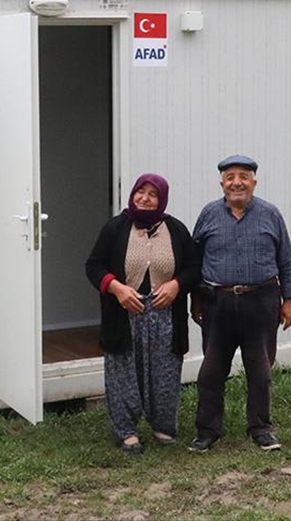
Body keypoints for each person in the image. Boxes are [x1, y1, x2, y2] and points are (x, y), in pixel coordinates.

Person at [189, 155, 291, 453]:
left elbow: (286, 259)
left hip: (261, 301)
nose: (236, 182)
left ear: (254, 182)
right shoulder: (209, 215)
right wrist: (195, 298)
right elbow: (195, 261)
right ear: (222, 183)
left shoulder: (270, 214)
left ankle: (261, 428)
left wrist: (289, 299)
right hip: (218, 303)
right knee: (211, 371)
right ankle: (208, 430)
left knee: (260, 371)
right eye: (230, 177)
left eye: (243, 176)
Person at [85, 174, 200, 454]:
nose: (145, 198)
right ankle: (127, 431)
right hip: (124, 314)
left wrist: (176, 285)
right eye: (140, 192)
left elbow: (194, 267)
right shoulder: (115, 228)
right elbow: (93, 265)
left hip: (165, 316)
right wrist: (116, 288)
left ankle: (164, 426)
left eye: (153, 194)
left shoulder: (176, 229)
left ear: (162, 200)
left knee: (165, 372)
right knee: (123, 372)